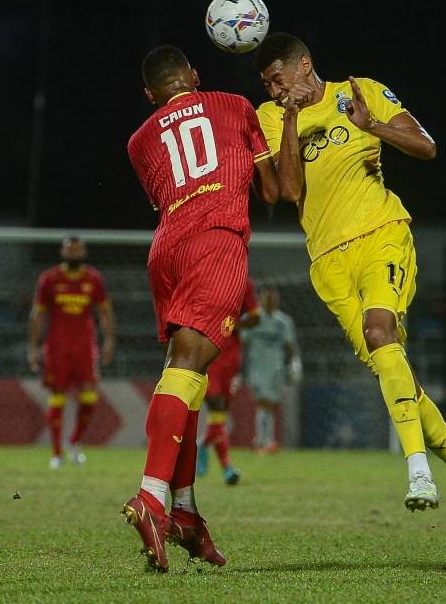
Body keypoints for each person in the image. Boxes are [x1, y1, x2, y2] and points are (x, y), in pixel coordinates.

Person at [253, 33, 446, 542]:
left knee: (380, 331)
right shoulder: (272, 117)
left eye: (279, 78)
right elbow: (288, 192)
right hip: (327, 261)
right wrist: (295, 119)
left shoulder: (359, 90)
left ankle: (417, 468)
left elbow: (427, 146)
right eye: (268, 83)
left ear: (305, 65)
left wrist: (374, 127)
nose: (275, 88)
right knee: (397, 376)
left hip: (382, 235)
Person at [124, 44, 279, 572]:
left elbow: (171, 190)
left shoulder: (139, 140)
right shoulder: (236, 105)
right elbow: (274, 190)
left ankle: (186, 512)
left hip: (166, 248)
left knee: (181, 375)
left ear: (150, 95)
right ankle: (150, 498)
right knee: (189, 369)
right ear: (194, 75)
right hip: (216, 239)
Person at [28, 237, 116, 469]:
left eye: (77, 249)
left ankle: (74, 441)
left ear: (84, 252)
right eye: (70, 249)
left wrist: (109, 340)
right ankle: (56, 454)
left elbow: (105, 312)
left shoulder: (94, 280)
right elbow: (38, 315)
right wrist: (33, 347)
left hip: (85, 347)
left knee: (89, 397)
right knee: (58, 396)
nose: (74, 253)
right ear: (63, 252)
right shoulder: (49, 279)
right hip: (57, 347)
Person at [196, 276, 260, 485]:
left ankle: (204, 445)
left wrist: (236, 326)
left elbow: (255, 317)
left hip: (232, 358)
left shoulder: (243, 283)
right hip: (208, 351)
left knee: (220, 414)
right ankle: (227, 467)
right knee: (217, 405)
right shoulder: (203, 277)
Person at [242, 284, 300, 454]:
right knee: (263, 402)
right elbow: (242, 342)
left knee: (270, 404)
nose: (270, 300)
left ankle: (262, 440)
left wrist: (292, 364)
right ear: (260, 298)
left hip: (276, 368)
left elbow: (290, 346)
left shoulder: (283, 321)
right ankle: (264, 440)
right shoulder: (251, 319)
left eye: (273, 297)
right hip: (257, 367)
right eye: (267, 296)